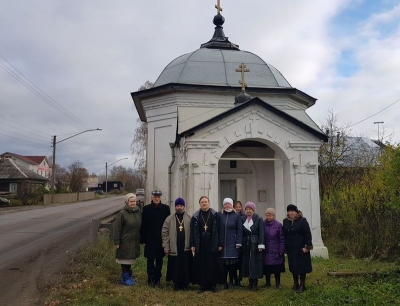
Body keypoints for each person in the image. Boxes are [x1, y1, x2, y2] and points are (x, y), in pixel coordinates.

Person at [190, 195, 222, 293]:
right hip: (200, 242)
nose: (204, 203)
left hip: (212, 242)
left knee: (212, 264)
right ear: (200, 204)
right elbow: (192, 231)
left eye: (206, 201)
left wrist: (220, 243)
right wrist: (192, 244)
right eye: (202, 202)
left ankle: (212, 285)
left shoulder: (215, 215)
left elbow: (219, 230)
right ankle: (202, 285)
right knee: (201, 264)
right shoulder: (195, 216)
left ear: (209, 203)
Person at [141, 189, 171, 287]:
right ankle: (150, 279)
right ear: (152, 197)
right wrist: (143, 239)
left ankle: (157, 279)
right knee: (150, 260)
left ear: (160, 198)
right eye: (155, 197)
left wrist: (167, 239)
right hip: (150, 239)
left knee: (159, 260)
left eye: (158, 197)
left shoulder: (166, 209)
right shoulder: (146, 209)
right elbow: (143, 225)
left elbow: (168, 225)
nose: (157, 198)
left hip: (161, 238)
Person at [162, 197, 192, 291]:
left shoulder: (189, 218)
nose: (179, 208)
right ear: (175, 207)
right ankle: (176, 284)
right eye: (177, 206)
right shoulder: (169, 219)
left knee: (186, 266)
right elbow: (164, 233)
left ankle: (185, 284)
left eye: (181, 206)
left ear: (184, 206)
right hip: (174, 247)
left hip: (186, 247)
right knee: (175, 266)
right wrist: (166, 246)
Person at [283, 204, 313, 293]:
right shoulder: (285, 221)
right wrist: (285, 247)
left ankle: (302, 284)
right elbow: (284, 235)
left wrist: (307, 246)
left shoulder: (302, 220)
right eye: (289, 211)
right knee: (293, 266)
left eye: (292, 211)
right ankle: (295, 283)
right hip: (291, 248)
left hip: (301, 248)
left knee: (302, 266)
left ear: (296, 212)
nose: (291, 213)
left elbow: (307, 234)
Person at [113, 193, 142, 286]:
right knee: (124, 259)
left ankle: (128, 276)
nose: (133, 203)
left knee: (130, 259)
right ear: (127, 202)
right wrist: (116, 241)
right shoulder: (122, 213)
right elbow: (117, 228)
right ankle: (125, 277)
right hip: (125, 241)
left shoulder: (138, 212)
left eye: (134, 201)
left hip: (134, 240)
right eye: (131, 201)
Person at [218, 198, 243, 290]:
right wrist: (218, 243)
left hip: (233, 243)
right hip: (223, 243)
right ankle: (224, 282)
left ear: (232, 205)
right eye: (225, 204)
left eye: (229, 204)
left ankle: (232, 281)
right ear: (223, 205)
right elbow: (217, 229)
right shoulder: (219, 215)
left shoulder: (236, 216)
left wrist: (238, 243)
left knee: (232, 265)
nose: (227, 206)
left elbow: (239, 230)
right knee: (224, 264)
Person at [241, 201, 265, 291]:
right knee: (247, 263)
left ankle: (255, 283)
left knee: (255, 263)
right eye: (246, 209)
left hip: (255, 243)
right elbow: (241, 232)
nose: (248, 211)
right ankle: (250, 282)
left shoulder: (258, 218)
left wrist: (261, 244)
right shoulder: (242, 218)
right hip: (246, 243)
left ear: (253, 210)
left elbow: (261, 232)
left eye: (250, 209)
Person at [263, 208, 285, 289]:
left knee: (276, 268)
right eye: (267, 215)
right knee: (267, 267)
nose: (268, 217)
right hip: (266, 249)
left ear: (273, 216)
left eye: (270, 215)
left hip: (276, 249)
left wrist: (281, 249)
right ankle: (267, 282)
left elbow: (282, 238)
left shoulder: (278, 225)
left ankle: (278, 283)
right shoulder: (263, 224)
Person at [233, 200, 244, 287]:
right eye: (236, 207)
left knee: (240, 262)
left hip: (242, 242)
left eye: (239, 207)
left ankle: (240, 278)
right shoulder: (232, 216)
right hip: (233, 242)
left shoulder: (244, 217)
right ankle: (234, 278)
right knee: (234, 262)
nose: (238, 208)